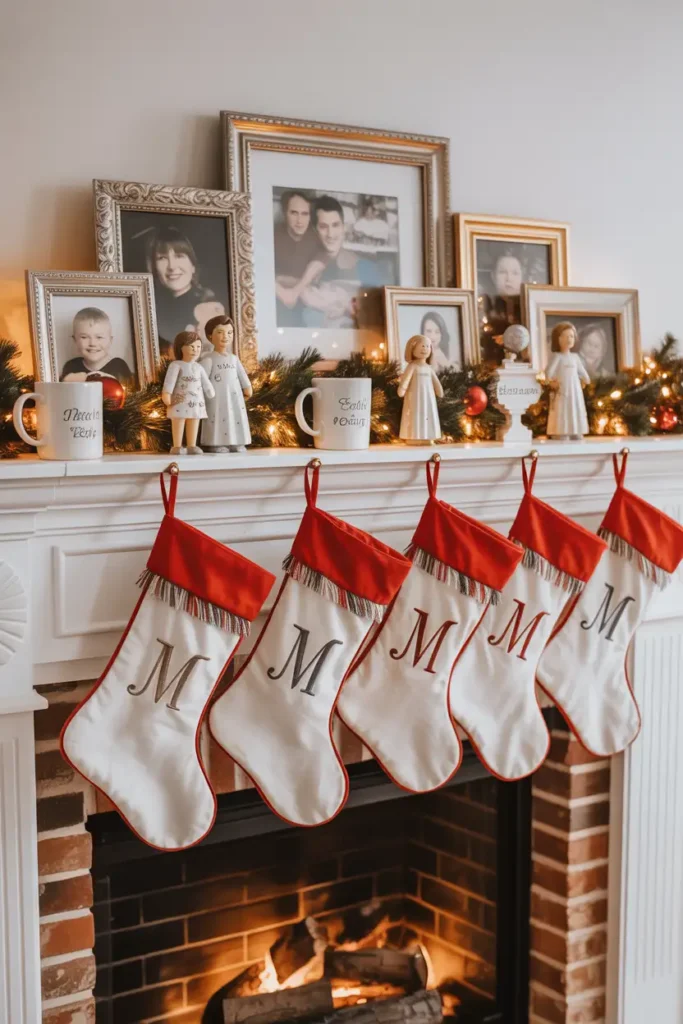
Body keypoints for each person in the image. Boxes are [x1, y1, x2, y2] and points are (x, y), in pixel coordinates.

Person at [300, 195, 388, 328]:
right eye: (324, 227)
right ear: (315, 230)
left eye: (335, 225)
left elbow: (380, 314)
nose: (330, 234)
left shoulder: (366, 267)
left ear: (343, 227)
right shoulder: (306, 268)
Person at [146, 225, 215, 354]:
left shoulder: (209, 308)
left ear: (193, 265)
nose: (172, 266)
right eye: (162, 258)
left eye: (179, 256)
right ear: (154, 268)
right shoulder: (150, 310)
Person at [200, 315, 252, 453]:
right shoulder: (208, 359)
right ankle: (216, 443)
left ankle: (236, 441)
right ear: (210, 336)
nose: (226, 336)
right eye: (220, 332)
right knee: (217, 418)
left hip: (234, 395)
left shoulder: (234, 358)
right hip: (216, 398)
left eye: (229, 333)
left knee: (235, 416)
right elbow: (202, 378)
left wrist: (247, 387)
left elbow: (242, 374)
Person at [273, 190, 325, 325]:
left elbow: (316, 274)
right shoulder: (273, 235)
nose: (299, 221)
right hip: (275, 298)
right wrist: (281, 291)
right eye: (294, 213)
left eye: (304, 214)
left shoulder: (316, 238)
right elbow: (258, 271)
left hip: (305, 300)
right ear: (285, 213)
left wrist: (287, 282)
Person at [161, 330, 215, 455]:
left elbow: (205, 382)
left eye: (198, 347)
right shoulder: (176, 365)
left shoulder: (198, 367)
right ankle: (177, 446)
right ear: (181, 347)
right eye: (192, 346)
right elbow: (170, 381)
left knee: (194, 420)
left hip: (196, 401)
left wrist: (210, 391)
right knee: (179, 420)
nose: (195, 350)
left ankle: (191, 445)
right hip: (179, 400)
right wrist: (167, 394)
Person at [60, 307, 134, 385]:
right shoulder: (71, 366)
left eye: (99, 337)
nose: (92, 343)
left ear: (110, 340)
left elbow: (129, 394)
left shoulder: (118, 366)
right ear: (75, 340)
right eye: (84, 337)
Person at [546, 321, 590, 439]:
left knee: (575, 407)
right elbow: (549, 373)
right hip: (562, 390)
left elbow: (582, 371)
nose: (568, 339)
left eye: (571, 336)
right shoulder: (557, 357)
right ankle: (562, 431)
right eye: (565, 336)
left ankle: (576, 430)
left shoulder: (575, 357)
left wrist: (586, 379)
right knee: (563, 409)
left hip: (575, 390)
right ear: (558, 339)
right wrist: (551, 382)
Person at [480, 250, 525, 364]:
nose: (509, 278)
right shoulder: (484, 305)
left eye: (515, 273)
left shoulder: (528, 310)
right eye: (503, 272)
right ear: (493, 276)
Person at [397, 334, 444, 443]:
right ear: (412, 348)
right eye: (422, 346)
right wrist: (402, 389)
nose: (425, 349)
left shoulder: (429, 368)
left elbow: (436, 381)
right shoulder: (412, 366)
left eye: (428, 346)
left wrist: (439, 390)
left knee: (428, 414)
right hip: (415, 397)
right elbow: (406, 379)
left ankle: (428, 437)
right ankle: (413, 436)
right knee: (415, 414)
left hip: (428, 397)